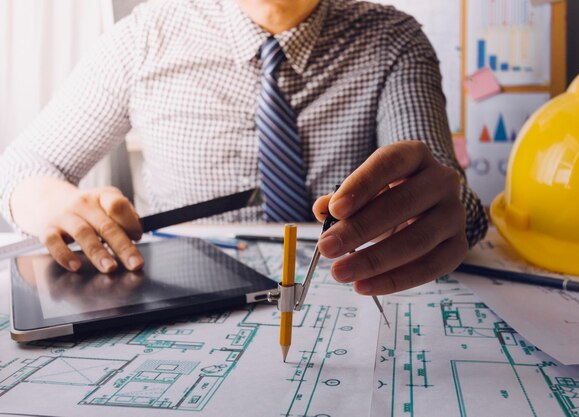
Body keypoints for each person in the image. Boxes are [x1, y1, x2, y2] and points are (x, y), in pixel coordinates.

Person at [0, 0, 487, 295]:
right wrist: (51, 202)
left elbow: (444, 192)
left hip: (346, 288)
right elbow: (23, 165)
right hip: (186, 297)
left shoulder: (394, 40)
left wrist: (444, 213)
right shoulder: (143, 39)